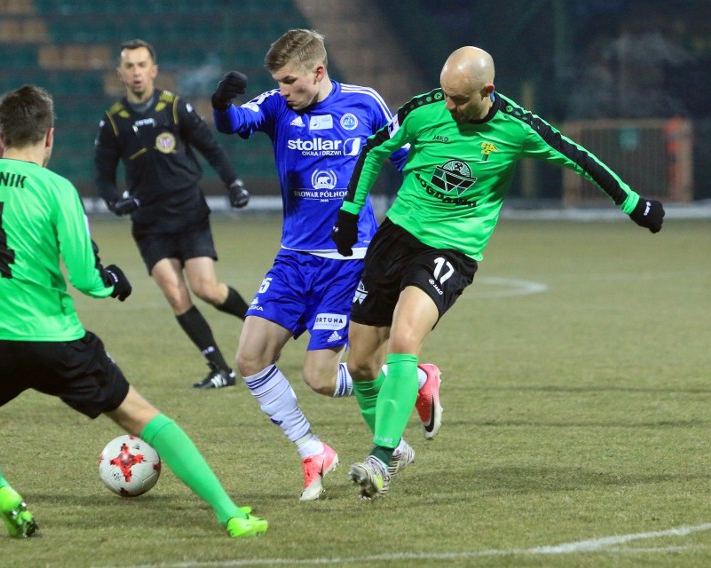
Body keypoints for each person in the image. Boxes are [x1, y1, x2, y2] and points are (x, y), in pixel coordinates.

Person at [0, 85, 268, 539]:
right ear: (49, 136)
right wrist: (113, 280)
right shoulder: (56, 189)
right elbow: (88, 278)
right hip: (51, 339)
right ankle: (231, 514)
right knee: (142, 416)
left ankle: (0, 489)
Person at [331, 46, 665, 500]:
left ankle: (381, 458)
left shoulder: (517, 128)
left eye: (460, 99)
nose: (449, 106)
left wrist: (633, 203)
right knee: (362, 363)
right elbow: (374, 150)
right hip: (397, 236)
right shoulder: (423, 110)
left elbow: (578, 156)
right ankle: (414, 403)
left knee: (405, 341)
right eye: (446, 95)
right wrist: (350, 212)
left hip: (452, 248)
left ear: (488, 91)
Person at [211, 29, 442, 501]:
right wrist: (220, 105)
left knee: (320, 378)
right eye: (276, 82)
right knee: (250, 358)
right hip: (294, 259)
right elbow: (236, 121)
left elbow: (407, 161)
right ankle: (313, 449)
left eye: (290, 81)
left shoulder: (365, 103)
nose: (282, 90)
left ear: (318, 72)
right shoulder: (278, 105)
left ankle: (414, 380)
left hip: (351, 261)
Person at [95, 39, 251, 390]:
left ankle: (261, 322)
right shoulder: (114, 122)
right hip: (150, 224)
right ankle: (220, 369)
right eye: (129, 66)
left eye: (141, 65)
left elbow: (210, 148)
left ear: (153, 70)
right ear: (121, 74)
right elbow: (103, 178)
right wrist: (115, 201)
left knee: (206, 289)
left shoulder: (175, 107)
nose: (136, 72)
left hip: (189, 212)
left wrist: (234, 184)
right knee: (176, 294)